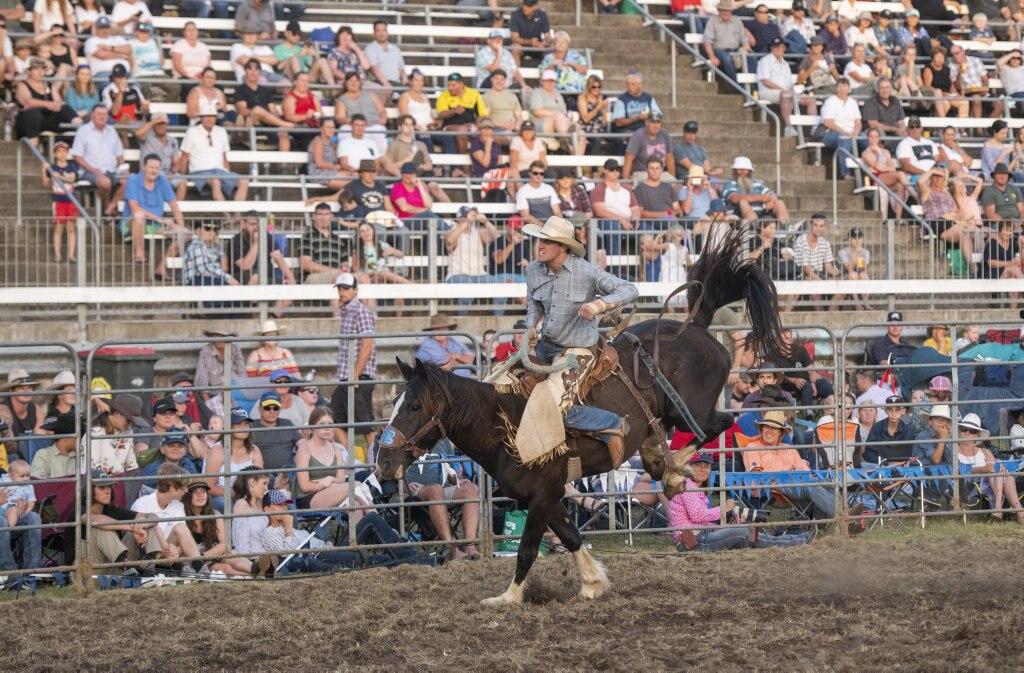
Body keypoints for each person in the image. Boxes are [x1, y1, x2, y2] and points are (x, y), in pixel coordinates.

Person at [512, 216, 639, 474]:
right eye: (540, 239)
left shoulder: (586, 271)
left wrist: (599, 305)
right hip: (546, 346)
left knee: (553, 406)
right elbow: (533, 305)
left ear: (563, 247)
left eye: (547, 240)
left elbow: (629, 289)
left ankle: (611, 423)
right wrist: (531, 326)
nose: (540, 245)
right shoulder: (534, 270)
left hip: (578, 350)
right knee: (504, 386)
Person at [741, 411, 856, 528]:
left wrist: (797, 473)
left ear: (781, 433)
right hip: (773, 489)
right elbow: (755, 476)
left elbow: (805, 471)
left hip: (798, 483)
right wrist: (784, 475)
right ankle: (845, 519)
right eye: (766, 427)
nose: (769, 431)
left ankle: (819, 525)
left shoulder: (789, 448)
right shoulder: (753, 448)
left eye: (774, 428)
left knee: (828, 482)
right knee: (811, 487)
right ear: (761, 429)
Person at [294, 406, 368, 519]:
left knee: (355, 505)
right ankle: (377, 521)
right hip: (310, 499)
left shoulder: (336, 449)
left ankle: (363, 535)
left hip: (333, 493)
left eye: (330, 423)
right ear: (313, 427)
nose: (327, 428)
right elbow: (304, 486)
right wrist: (327, 485)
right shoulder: (304, 450)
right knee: (356, 485)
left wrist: (331, 480)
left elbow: (341, 480)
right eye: (322, 424)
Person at [332, 272, 377, 449]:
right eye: (340, 288)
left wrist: (355, 375)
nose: (342, 292)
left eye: (346, 288)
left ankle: (376, 463)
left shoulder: (361, 312)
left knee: (366, 425)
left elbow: (367, 344)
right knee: (332, 417)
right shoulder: (349, 312)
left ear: (355, 291)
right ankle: (352, 462)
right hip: (348, 377)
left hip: (358, 377)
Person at [956, 413, 1024, 522]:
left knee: (1000, 470)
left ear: (977, 435)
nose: (967, 433)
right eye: (964, 429)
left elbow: (994, 466)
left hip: (992, 483)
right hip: (970, 485)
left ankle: (1009, 511)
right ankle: (1007, 510)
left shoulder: (985, 451)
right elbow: (957, 471)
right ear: (959, 432)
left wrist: (999, 467)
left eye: (972, 431)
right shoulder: (954, 452)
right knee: (996, 472)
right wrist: (984, 470)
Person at [122, 153, 187, 267]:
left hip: (154, 225)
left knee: (186, 234)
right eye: (151, 167)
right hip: (131, 223)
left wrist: (180, 225)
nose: (154, 171)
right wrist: (161, 220)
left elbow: (174, 205)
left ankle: (162, 267)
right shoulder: (133, 179)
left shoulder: (162, 179)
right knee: (139, 216)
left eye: (157, 168)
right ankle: (139, 255)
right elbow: (135, 208)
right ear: (144, 167)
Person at [179, 103, 249, 204]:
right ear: (201, 118)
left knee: (244, 181)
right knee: (215, 181)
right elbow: (185, 156)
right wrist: (182, 175)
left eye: (212, 116)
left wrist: (227, 172)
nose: (209, 119)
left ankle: (236, 215)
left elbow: (224, 156)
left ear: (215, 118)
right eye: (206, 116)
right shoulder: (192, 132)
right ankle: (227, 216)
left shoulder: (221, 131)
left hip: (220, 171)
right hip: (199, 171)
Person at [183, 482, 253, 575]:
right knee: (224, 568)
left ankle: (261, 570)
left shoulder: (215, 514)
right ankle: (258, 577)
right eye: (195, 492)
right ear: (188, 496)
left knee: (233, 558)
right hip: (196, 561)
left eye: (203, 491)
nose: (200, 495)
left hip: (214, 553)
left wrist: (203, 556)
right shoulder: (182, 516)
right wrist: (198, 559)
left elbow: (224, 544)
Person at [70, 104, 126, 216]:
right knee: (105, 182)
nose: (102, 117)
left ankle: (109, 208)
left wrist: (124, 169)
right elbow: (76, 156)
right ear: (92, 116)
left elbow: (119, 155)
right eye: (99, 114)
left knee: (130, 181)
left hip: (112, 170)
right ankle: (107, 205)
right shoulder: (83, 131)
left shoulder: (112, 131)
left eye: (104, 114)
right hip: (89, 171)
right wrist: (93, 170)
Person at [204, 407, 263, 510]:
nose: (244, 427)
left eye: (246, 424)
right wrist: (237, 495)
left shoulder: (255, 450)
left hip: (249, 494)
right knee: (225, 503)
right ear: (229, 426)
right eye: (239, 424)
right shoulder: (217, 451)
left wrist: (248, 495)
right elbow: (209, 486)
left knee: (283, 501)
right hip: (223, 496)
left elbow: (260, 481)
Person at [233, 59, 293, 151]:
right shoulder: (240, 90)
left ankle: (283, 164)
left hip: (269, 123)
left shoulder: (265, 90)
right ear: (245, 71)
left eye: (256, 69)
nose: (253, 72)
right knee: (257, 110)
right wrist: (261, 114)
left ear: (260, 72)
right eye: (250, 69)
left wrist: (266, 116)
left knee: (283, 132)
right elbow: (243, 110)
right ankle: (285, 124)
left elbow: (273, 110)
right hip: (252, 122)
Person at [14, 58, 76, 145]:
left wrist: (56, 105)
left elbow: (58, 102)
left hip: (47, 119)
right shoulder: (23, 85)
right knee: (32, 112)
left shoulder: (49, 85)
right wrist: (48, 104)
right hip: (28, 121)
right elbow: (28, 102)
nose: (40, 72)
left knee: (65, 108)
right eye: (36, 69)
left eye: (42, 69)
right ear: (29, 71)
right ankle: (33, 144)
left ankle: (78, 124)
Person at [193, 325, 247, 417]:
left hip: (235, 393)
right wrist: (208, 403)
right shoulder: (206, 351)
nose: (218, 339)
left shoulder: (235, 349)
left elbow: (242, 373)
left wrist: (241, 393)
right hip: (214, 395)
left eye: (222, 336)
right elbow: (202, 379)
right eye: (215, 336)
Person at [41, 140, 79, 263]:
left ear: (67, 153)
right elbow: (45, 183)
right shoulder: (52, 168)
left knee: (71, 228)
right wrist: (44, 170)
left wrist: (59, 176)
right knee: (58, 228)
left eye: (64, 151)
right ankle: (58, 254)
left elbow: (72, 179)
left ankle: (71, 254)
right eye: (59, 151)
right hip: (58, 201)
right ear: (55, 153)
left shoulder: (71, 166)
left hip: (70, 200)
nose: (62, 154)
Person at [721, 156, 789, 225]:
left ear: (750, 171)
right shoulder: (729, 183)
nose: (743, 172)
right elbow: (734, 198)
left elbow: (771, 194)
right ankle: (755, 227)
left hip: (761, 213)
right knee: (743, 202)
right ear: (735, 171)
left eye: (745, 169)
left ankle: (785, 226)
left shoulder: (757, 183)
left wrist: (770, 200)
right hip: (739, 215)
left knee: (779, 202)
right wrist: (762, 198)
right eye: (740, 169)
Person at [757, 37, 803, 136]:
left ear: (784, 48)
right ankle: (788, 127)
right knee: (786, 95)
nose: (779, 49)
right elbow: (766, 81)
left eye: (781, 47)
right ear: (772, 48)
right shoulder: (765, 61)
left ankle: (814, 130)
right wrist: (784, 90)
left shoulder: (785, 64)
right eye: (776, 47)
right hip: (767, 92)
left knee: (810, 100)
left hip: (785, 92)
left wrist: (790, 90)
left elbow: (790, 84)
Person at [531, 70, 584, 154]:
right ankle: (567, 138)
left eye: (552, 81)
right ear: (542, 81)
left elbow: (564, 112)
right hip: (541, 123)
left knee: (580, 132)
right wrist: (555, 114)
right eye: (547, 81)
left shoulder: (557, 94)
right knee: (559, 117)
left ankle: (578, 162)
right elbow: (537, 111)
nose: (550, 83)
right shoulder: (537, 93)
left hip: (560, 123)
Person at [819, 77, 862, 180]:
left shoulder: (852, 102)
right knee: (845, 139)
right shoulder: (830, 101)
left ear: (849, 88)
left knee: (868, 138)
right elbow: (828, 122)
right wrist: (847, 133)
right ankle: (846, 173)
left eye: (845, 86)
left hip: (852, 132)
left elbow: (858, 122)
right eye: (840, 86)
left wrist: (855, 132)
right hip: (831, 133)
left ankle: (869, 172)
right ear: (836, 88)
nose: (842, 89)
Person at [860, 127, 908, 221]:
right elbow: (878, 167)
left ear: (879, 138)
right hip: (876, 178)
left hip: (886, 177)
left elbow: (892, 168)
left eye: (876, 136)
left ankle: (898, 218)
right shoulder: (866, 153)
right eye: (871, 136)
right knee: (900, 174)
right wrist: (879, 153)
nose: (874, 139)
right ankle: (914, 192)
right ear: (868, 138)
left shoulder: (886, 151)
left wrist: (883, 167)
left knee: (900, 186)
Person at [229, 466, 271, 570]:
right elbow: (240, 545)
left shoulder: (262, 503)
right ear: (252, 482)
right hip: (253, 560)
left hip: (270, 554)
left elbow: (289, 501)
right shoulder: (241, 505)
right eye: (264, 483)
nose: (266, 488)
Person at [436, 73, 488, 155]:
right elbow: (442, 115)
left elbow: (482, 115)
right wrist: (453, 111)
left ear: (461, 84)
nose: (450, 88)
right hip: (450, 125)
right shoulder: (444, 96)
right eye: (448, 85)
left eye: (453, 85)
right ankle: (463, 164)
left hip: (470, 125)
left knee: (487, 134)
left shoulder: (474, 94)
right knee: (462, 131)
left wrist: (476, 126)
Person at [88, 394, 141, 474]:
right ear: (117, 413)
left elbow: (131, 465)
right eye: (128, 420)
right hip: (100, 484)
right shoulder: (95, 433)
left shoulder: (128, 432)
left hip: (119, 483)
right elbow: (92, 470)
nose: (130, 424)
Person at [273, 20, 333, 85]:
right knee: (294, 59)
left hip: (305, 77)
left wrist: (314, 56)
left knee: (322, 61)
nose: (297, 37)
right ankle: (299, 83)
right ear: (286, 33)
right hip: (288, 78)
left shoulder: (300, 49)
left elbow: (311, 65)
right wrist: (298, 55)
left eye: (299, 34)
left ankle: (333, 87)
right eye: (294, 33)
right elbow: (279, 67)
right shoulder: (278, 48)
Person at [702, 0, 749, 82]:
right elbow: (707, 41)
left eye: (728, 10)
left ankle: (753, 87)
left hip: (736, 51)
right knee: (726, 59)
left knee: (751, 59)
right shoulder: (712, 21)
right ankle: (738, 86)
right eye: (723, 10)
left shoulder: (737, 20)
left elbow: (744, 37)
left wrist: (746, 45)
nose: (726, 12)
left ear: (731, 11)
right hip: (720, 51)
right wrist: (712, 57)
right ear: (719, 10)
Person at [981, 221, 1024, 308]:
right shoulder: (992, 242)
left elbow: (1019, 260)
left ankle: (1012, 312)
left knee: (1013, 280)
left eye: (1010, 231)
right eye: (1006, 230)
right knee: (1014, 269)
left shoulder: (1013, 243)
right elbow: (990, 263)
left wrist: (1021, 250)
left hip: (1007, 273)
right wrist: (1009, 263)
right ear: (1000, 230)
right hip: (992, 273)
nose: (1008, 233)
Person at [390, 162, 445, 227]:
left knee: (432, 221)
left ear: (415, 175)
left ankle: (446, 231)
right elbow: (404, 208)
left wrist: (420, 186)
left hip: (422, 220)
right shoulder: (398, 187)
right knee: (429, 216)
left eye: (410, 173)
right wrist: (424, 211)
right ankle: (448, 230)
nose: (407, 176)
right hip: (405, 220)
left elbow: (429, 205)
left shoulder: (420, 186)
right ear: (401, 174)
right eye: (405, 173)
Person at [538, 30, 588, 100]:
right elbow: (542, 75)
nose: (560, 44)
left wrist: (572, 64)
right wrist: (552, 65)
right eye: (558, 42)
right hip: (554, 91)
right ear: (554, 43)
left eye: (563, 42)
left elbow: (585, 70)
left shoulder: (576, 56)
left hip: (575, 91)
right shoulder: (548, 58)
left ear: (568, 44)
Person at [611, 71, 662, 140]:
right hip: (628, 130)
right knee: (638, 137)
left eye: (632, 84)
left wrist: (649, 116)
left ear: (640, 85)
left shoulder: (648, 98)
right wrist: (636, 118)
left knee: (662, 135)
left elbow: (659, 115)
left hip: (646, 129)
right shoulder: (621, 100)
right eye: (628, 84)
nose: (629, 87)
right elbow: (618, 122)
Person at [364, 19, 408, 98]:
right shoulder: (370, 48)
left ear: (387, 32)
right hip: (379, 83)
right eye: (378, 31)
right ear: (374, 34)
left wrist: (404, 80)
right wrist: (386, 84)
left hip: (396, 84)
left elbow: (401, 69)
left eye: (384, 30)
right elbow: (375, 69)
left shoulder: (395, 49)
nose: (381, 33)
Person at [624, 113, 673, 181]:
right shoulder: (638, 135)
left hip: (660, 172)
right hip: (642, 172)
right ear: (646, 123)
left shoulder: (665, 135)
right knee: (650, 184)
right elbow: (628, 160)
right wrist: (626, 183)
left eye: (658, 122)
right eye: (652, 122)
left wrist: (673, 178)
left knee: (677, 185)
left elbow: (670, 159)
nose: (655, 125)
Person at [29, 412, 79, 478]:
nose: (80, 439)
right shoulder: (43, 455)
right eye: (77, 436)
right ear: (65, 437)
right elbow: (37, 481)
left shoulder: (80, 455)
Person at [83, 16, 130, 85]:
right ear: (96, 28)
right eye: (101, 27)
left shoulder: (118, 38)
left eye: (106, 27)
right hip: (104, 73)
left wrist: (110, 48)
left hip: (124, 73)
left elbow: (128, 49)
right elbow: (102, 55)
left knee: (135, 85)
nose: (104, 30)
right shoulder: (91, 41)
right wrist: (121, 54)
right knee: (110, 87)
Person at [895, 116, 943, 184]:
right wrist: (927, 173)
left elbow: (938, 160)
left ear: (921, 128)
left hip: (933, 175)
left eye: (917, 127)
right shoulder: (903, 144)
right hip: (916, 177)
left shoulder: (930, 142)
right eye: (912, 127)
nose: (915, 129)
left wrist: (935, 172)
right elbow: (907, 167)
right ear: (907, 129)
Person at [516, 160, 561, 227]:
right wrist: (542, 226)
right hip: (531, 229)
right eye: (535, 173)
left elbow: (557, 212)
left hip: (549, 228)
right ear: (530, 173)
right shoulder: (522, 191)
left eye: (541, 173)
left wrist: (559, 224)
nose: (539, 176)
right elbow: (525, 216)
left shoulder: (549, 189)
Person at [482, 70, 524, 140]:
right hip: (496, 129)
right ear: (492, 80)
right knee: (515, 140)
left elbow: (519, 115)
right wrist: (504, 125)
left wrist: (517, 125)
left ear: (505, 81)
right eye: (496, 79)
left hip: (513, 128)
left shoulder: (512, 95)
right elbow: (486, 118)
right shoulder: (487, 96)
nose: (499, 82)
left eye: (502, 79)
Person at [509, 0, 553, 65]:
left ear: (535, 6)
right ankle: (516, 73)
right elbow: (514, 38)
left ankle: (545, 71)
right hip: (522, 45)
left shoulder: (542, 15)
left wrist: (544, 43)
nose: (525, 8)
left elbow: (547, 36)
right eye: (524, 4)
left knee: (550, 48)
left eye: (529, 6)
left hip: (538, 45)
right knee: (515, 48)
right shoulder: (516, 14)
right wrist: (530, 42)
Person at [837, 227, 871, 310]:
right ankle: (857, 304)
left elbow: (862, 270)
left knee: (863, 275)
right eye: (854, 238)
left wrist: (859, 255)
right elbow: (849, 269)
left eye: (859, 238)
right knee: (853, 274)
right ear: (849, 239)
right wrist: (855, 254)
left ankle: (865, 303)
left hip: (858, 275)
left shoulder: (865, 252)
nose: (857, 240)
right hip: (845, 277)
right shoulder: (843, 252)